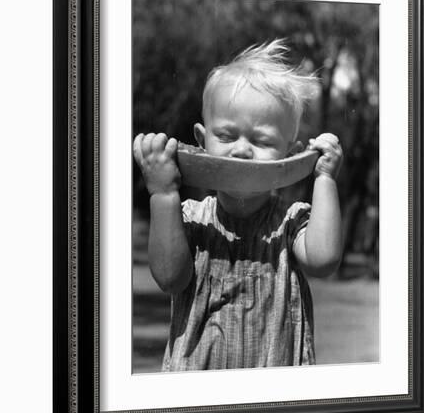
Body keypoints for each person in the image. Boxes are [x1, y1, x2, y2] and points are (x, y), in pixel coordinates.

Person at [133, 39, 343, 371]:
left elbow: (323, 260)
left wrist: (325, 178)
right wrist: (163, 194)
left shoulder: (291, 224)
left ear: (290, 156)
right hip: (196, 396)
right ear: (203, 143)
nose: (242, 150)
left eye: (261, 141)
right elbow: (170, 278)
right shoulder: (189, 218)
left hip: (275, 398)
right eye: (227, 137)